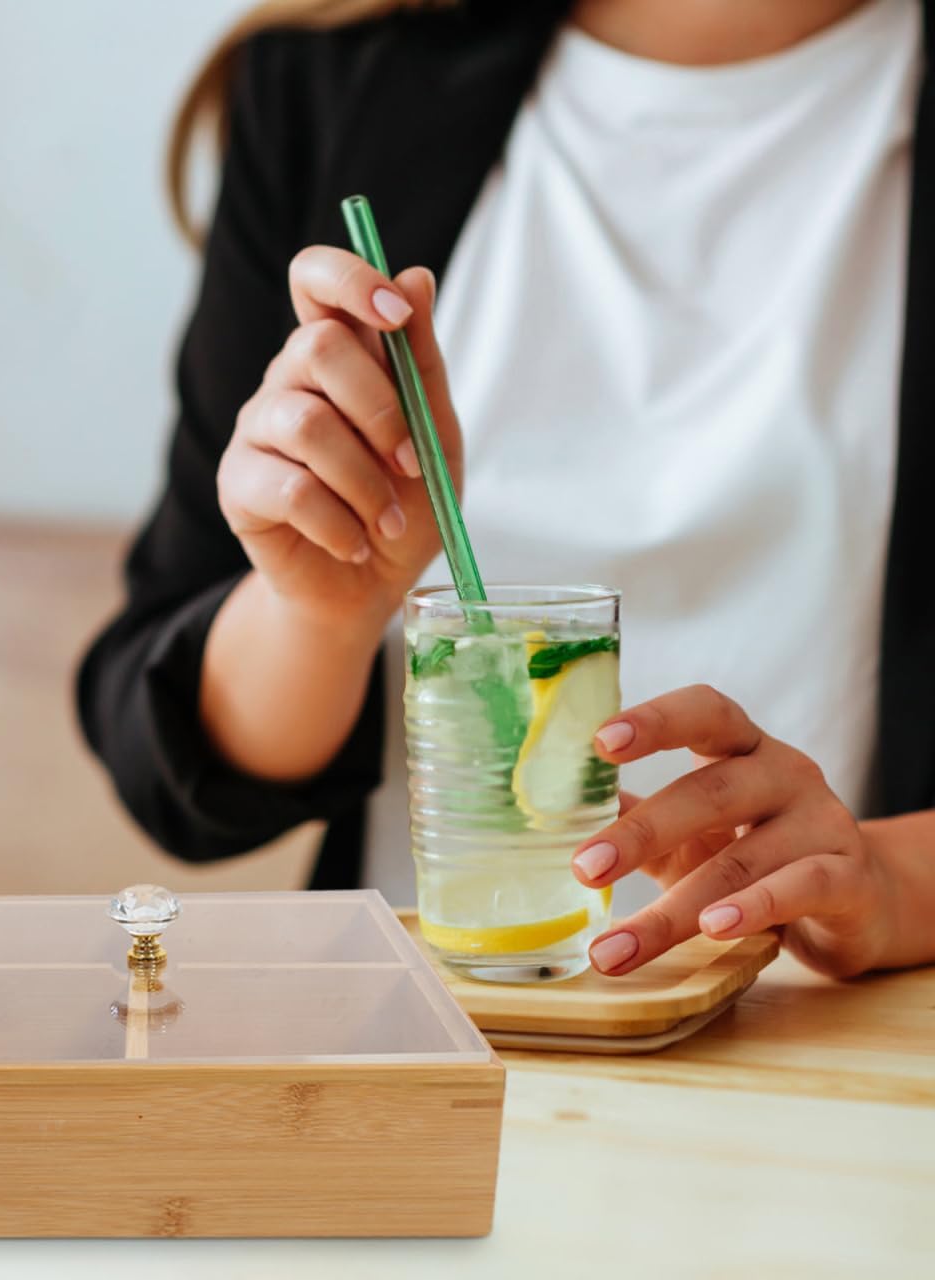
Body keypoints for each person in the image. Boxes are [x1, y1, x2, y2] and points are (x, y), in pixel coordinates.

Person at [80, 0, 935, 979]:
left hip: (843, 1057)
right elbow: (162, 764)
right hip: (422, 1057)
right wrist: (316, 612)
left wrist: (890, 877)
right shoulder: (332, 84)